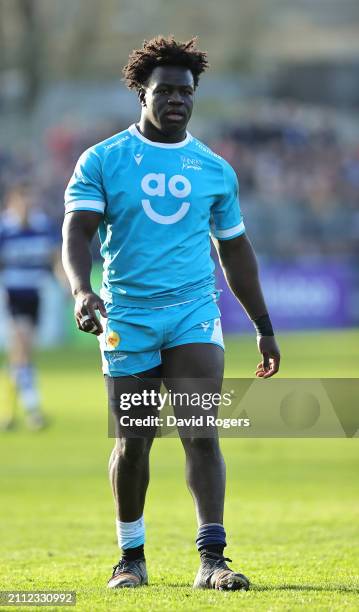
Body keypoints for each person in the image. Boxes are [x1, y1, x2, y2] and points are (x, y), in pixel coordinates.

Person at [62, 35, 280, 591]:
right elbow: (77, 232)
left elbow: (235, 250)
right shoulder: (103, 160)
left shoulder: (214, 169)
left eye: (186, 91)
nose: (177, 99)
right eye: (165, 91)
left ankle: (213, 559)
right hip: (127, 317)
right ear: (141, 92)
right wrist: (81, 292)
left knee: (201, 431)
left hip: (192, 315)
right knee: (135, 437)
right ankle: (130, 559)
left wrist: (263, 326)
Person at [0, 181, 60, 430]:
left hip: (35, 294)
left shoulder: (43, 226)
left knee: (21, 357)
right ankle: (34, 411)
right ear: (12, 203)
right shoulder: (5, 229)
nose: (25, 207)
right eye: (21, 202)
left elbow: (56, 258)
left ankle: (8, 413)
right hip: (11, 296)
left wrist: (68, 286)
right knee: (22, 348)